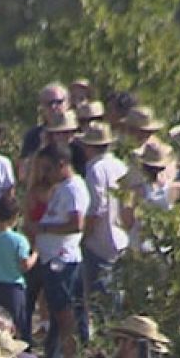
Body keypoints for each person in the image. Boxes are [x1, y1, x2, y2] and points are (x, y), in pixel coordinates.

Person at [34, 143, 90, 358]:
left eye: (48, 168)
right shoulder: (61, 188)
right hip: (52, 258)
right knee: (59, 313)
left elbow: (76, 224)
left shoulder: (75, 188)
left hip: (62, 260)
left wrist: (45, 228)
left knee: (65, 314)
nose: (45, 174)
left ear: (61, 164)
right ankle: (57, 357)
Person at [79, 122, 128, 319]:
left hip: (100, 242)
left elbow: (96, 209)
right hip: (121, 240)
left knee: (101, 303)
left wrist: (83, 237)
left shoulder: (95, 170)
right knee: (117, 298)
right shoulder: (120, 166)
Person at [0, 191, 36, 338]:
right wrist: (36, 253)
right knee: (16, 326)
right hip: (13, 287)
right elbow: (25, 265)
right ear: (15, 217)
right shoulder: (19, 240)